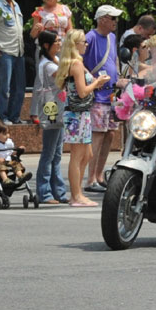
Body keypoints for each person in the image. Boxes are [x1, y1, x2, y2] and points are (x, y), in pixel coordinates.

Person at [57, 29, 110, 207]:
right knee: (77, 155)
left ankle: (77, 193)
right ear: (75, 44)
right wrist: (97, 83)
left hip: (81, 113)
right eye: (83, 42)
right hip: (76, 114)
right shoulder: (76, 65)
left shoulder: (77, 63)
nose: (86, 45)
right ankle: (75, 195)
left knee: (87, 154)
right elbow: (82, 92)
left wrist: (96, 81)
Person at [83, 4, 123, 194]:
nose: (115, 22)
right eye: (112, 18)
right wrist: (91, 80)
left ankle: (99, 175)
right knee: (97, 135)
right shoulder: (89, 37)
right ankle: (90, 178)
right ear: (102, 19)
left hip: (111, 93)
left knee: (110, 134)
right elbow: (78, 60)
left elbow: (113, 60)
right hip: (98, 94)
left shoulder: (112, 38)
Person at [32, 30, 68, 204]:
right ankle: (44, 192)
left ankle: (58, 191)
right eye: (57, 41)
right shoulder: (48, 65)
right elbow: (65, 77)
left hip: (58, 107)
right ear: (47, 45)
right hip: (51, 108)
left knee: (57, 152)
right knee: (49, 152)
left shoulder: (56, 61)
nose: (60, 44)